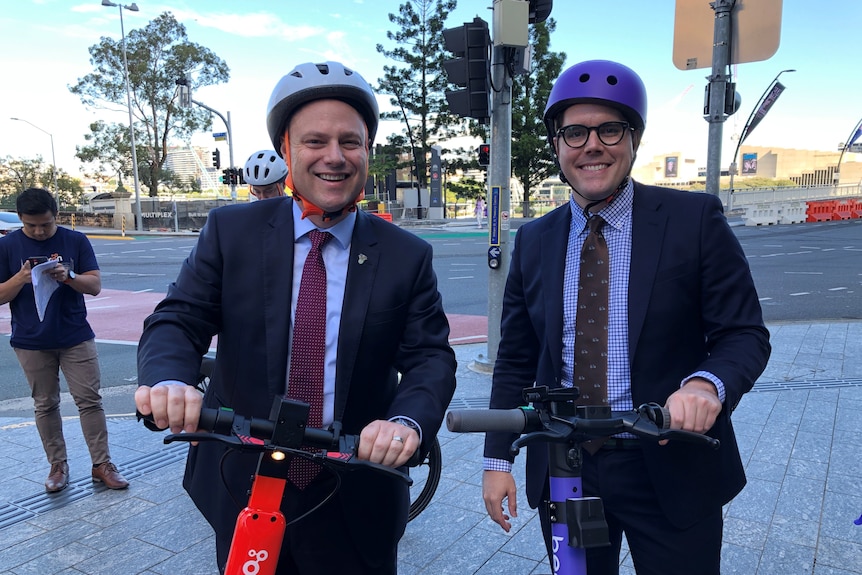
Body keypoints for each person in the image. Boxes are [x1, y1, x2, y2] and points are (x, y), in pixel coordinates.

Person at [135, 61, 457, 575]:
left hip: (354, 482)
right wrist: (170, 380)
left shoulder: (405, 254)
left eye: (351, 142)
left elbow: (429, 360)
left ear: (368, 152)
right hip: (240, 477)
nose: (335, 157)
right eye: (315, 141)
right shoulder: (230, 231)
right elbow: (179, 318)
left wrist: (405, 423)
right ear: (286, 149)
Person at [482, 60, 771, 575]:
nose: (591, 145)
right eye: (574, 132)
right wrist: (497, 459)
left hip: (669, 460)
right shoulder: (534, 240)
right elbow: (516, 359)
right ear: (557, 144)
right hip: (567, 465)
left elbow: (743, 333)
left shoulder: (693, 221)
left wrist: (707, 386)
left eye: (609, 129)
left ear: (633, 138)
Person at [0, 188, 129, 493]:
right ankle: (57, 465)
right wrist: (21, 277)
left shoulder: (75, 240)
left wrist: (69, 277)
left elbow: (95, 285)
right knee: (45, 404)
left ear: (56, 215)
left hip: (74, 336)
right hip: (30, 339)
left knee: (89, 400)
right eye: (31, 226)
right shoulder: (7, 246)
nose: (39, 231)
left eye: (45, 224)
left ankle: (102, 464)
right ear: (20, 220)